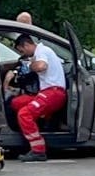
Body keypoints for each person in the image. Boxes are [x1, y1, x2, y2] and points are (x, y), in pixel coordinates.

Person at [4, 33, 66, 162]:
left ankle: (38, 150)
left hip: (53, 93)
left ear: (27, 45)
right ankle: (29, 130)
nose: (24, 54)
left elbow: (41, 66)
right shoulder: (44, 51)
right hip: (47, 92)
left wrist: (29, 66)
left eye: (22, 51)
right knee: (15, 103)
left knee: (24, 114)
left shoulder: (41, 51)